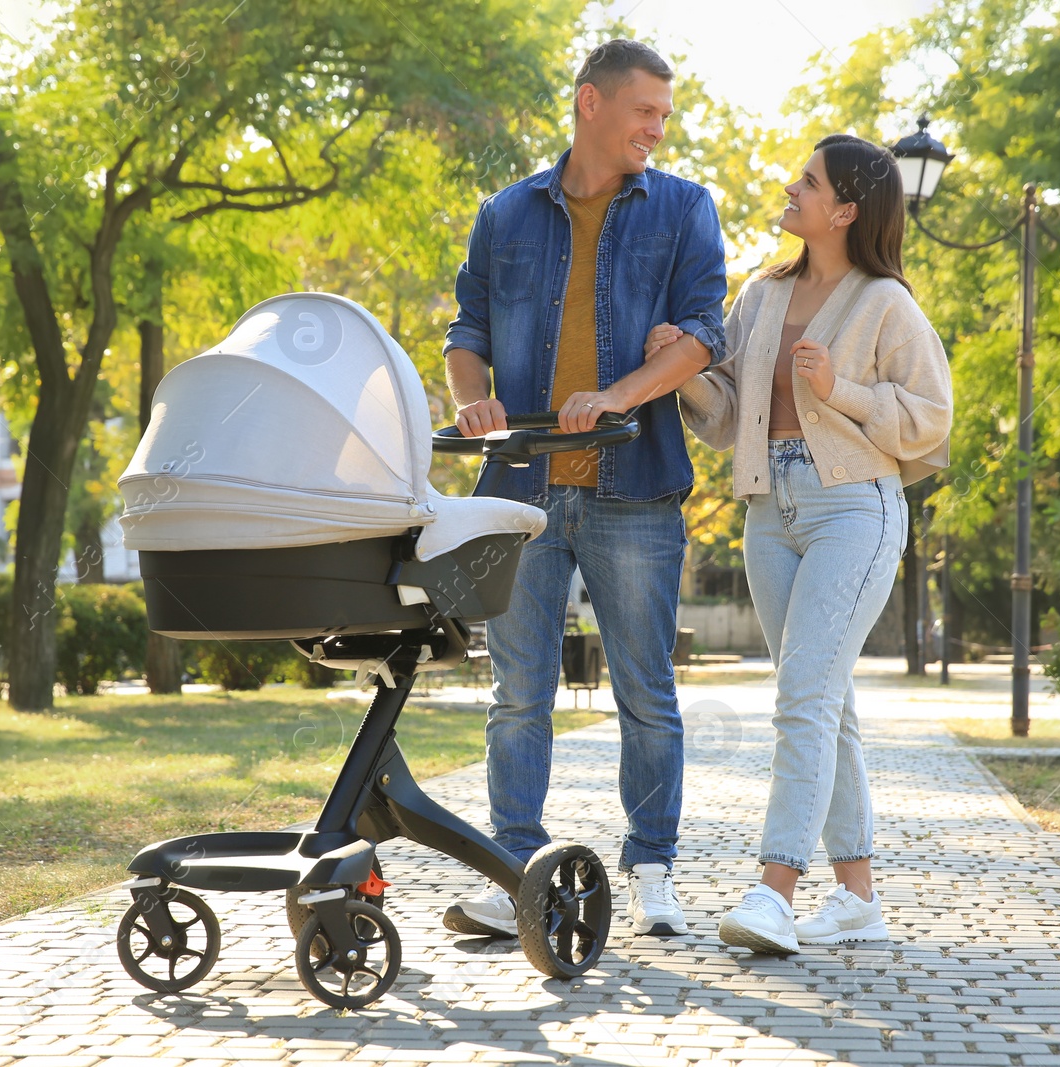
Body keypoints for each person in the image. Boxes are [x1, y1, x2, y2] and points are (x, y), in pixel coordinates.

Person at [441, 38, 728, 938]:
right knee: (517, 694)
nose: (658, 128)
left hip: (634, 487)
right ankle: (512, 870)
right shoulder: (505, 213)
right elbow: (466, 328)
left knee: (646, 691)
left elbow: (702, 336)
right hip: (519, 487)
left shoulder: (684, 208)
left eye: (665, 116)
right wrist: (472, 400)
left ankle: (652, 870)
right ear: (589, 103)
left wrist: (613, 398)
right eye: (645, 110)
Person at [649, 134, 953, 954]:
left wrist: (838, 388)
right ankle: (857, 898)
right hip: (768, 513)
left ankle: (773, 890)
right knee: (826, 700)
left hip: (853, 508)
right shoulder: (762, 295)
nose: (792, 186)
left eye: (808, 182)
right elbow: (724, 418)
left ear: (846, 210)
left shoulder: (888, 302)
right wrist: (681, 373)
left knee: (802, 699)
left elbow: (930, 418)